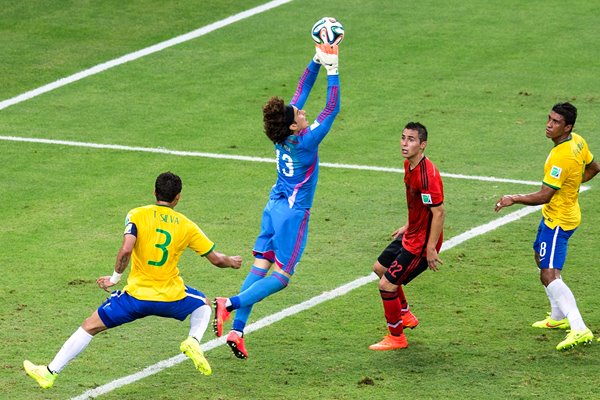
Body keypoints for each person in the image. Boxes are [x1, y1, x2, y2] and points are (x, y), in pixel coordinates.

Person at [23, 172, 242, 389]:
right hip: (171, 297)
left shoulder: (136, 214)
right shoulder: (187, 225)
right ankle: (193, 341)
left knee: (89, 326)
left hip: (135, 298)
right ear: (178, 198)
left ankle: (50, 373)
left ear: (154, 192)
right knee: (203, 304)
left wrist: (114, 277)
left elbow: (126, 249)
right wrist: (231, 261)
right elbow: (216, 260)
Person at [212, 41, 342, 359]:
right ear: (294, 124)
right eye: (299, 112)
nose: (302, 110)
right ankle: (228, 304)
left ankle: (236, 330)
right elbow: (331, 108)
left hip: (273, 205)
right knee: (281, 277)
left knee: (260, 266)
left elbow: (302, 88)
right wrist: (333, 68)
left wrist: (315, 59)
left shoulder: (283, 134)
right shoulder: (306, 141)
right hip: (293, 213)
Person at [495, 102, 600, 350]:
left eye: (555, 122)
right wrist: (571, 185)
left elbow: (545, 195)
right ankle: (558, 317)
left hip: (559, 220)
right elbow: (594, 167)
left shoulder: (560, 155)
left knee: (548, 273)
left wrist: (514, 198)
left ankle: (579, 327)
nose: (549, 125)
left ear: (568, 127)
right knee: (539, 256)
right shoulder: (578, 141)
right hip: (560, 215)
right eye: (549, 119)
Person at [369, 122, 445, 351]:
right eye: (403, 137)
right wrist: (408, 224)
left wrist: (431, 248)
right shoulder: (409, 165)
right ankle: (405, 314)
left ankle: (397, 337)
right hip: (412, 233)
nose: (405, 143)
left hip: (421, 244)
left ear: (422, 145)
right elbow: (418, 205)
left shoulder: (427, 176)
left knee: (386, 286)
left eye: (411, 139)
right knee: (379, 268)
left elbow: (438, 212)